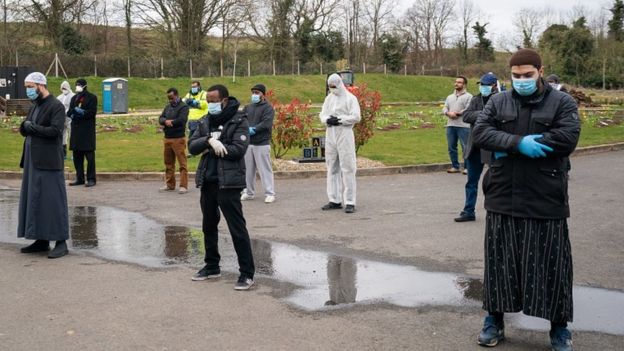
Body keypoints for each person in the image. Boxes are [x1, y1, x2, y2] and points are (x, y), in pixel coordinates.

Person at [473, 48, 580, 351]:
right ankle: (494, 321)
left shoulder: (562, 102)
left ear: (540, 71)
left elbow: (567, 138)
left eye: (527, 75)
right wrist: (518, 143)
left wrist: (505, 144)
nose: (521, 80)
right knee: (499, 265)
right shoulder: (498, 100)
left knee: (552, 266)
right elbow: (481, 132)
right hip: (503, 194)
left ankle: (559, 328)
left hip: (545, 197)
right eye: (516, 76)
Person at [188, 84, 255, 290]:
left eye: (213, 101)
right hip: (208, 181)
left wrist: (218, 146)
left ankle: (246, 273)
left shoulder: (238, 120)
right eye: (208, 101)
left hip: (229, 183)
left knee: (237, 228)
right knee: (208, 225)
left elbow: (238, 150)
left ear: (224, 100)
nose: (210, 104)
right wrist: (209, 140)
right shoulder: (205, 120)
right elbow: (192, 145)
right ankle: (211, 266)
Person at [17, 72, 69, 259]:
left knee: (53, 201)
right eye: (27, 87)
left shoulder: (56, 106)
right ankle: (41, 239)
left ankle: (61, 241)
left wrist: (33, 128)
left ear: (41, 85)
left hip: (48, 161)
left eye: (30, 87)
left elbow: (55, 131)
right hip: (33, 160)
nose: (28, 90)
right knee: (35, 200)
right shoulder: (36, 105)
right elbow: (27, 126)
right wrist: (25, 127)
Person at [454, 72, 499, 222]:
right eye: (481, 85)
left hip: (492, 146)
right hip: (475, 147)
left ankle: (495, 211)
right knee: (471, 182)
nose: (483, 87)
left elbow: (499, 117)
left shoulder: (501, 99)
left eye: (486, 85)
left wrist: (480, 115)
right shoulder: (476, 99)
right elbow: (466, 116)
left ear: (493, 85)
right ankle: (468, 211)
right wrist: (486, 114)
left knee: (494, 182)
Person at [319, 73, 361, 214]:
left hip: (345, 133)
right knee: (332, 167)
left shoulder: (350, 98)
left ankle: (350, 201)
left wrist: (341, 119)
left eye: (334, 86)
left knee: (348, 167)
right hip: (330, 134)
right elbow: (322, 114)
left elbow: (356, 116)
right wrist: (327, 120)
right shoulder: (329, 99)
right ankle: (334, 199)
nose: (332, 89)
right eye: (330, 87)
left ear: (339, 84)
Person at [241, 83, 276, 203]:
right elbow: (242, 119)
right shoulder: (248, 107)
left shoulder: (268, 108)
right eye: (253, 93)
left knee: (264, 169)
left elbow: (266, 123)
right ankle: (249, 192)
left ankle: (270, 193)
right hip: (249, 143)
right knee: (248, 169)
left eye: (257, 93)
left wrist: (254, 129)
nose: (254, 95)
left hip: (262, 142)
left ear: (263, 94)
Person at [158, 88, 189, 194]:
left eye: (171, 97)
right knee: (168, 163)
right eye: (168, 98)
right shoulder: (168, 107)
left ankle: (183, 186)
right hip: (167, 138)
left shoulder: (183, 106)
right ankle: (170, 184)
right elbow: (161, 118)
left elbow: (182, 120)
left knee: (182, 163)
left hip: (178, 138)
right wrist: (165, 121)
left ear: (176, 95)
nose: (170, 100)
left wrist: (172, 122)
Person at [68, 78, 98, 187]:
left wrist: (82, 113)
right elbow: (69, 111)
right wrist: (73, 113)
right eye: (76, 84)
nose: (77, 86)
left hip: (87, 131)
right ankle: (79, 178)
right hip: (76, 131)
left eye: (79, 85)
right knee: (77, 157)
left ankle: (91, 179)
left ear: (85, 85)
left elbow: (92, 112)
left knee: (90, 157)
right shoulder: (74, 98)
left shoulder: (92, 97)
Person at [442, 76, 473, 174]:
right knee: (451, 147)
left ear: (464, 84)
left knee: (465, 147)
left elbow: (468, 109)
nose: (456, 84)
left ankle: (467, 167)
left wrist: (457, 113)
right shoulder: (449, 97)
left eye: (459, 82)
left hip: (463, 126)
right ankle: (455, 166)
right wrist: (447, 113)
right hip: (450, 125)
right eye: (456, 82)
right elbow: (445, 107)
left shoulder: (469, 96)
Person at [57, 81, 74, 160]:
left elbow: (73, 107)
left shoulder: (73, 96)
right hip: (61, 118)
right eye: (62, 88)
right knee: (62, 136)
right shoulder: (59, 97)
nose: (64, 89)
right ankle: (63, 154)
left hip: (70, 118)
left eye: (65, 88)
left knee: (72, 135)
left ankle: (74, 154)